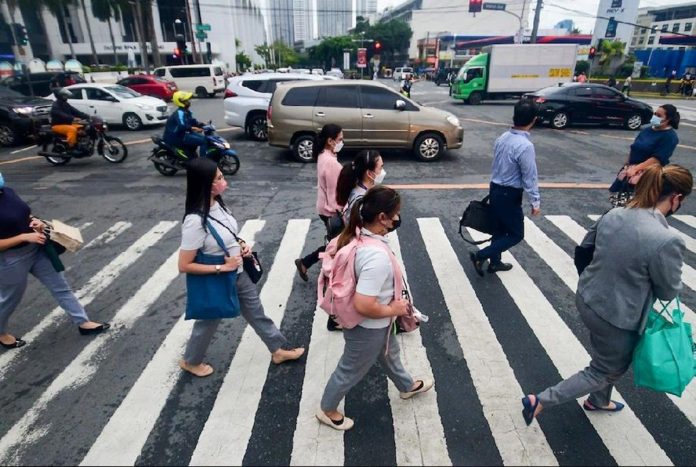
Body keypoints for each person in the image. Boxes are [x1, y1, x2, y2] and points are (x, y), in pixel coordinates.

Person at [522, 164, 691, 424]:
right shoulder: (666, 239)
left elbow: (586, 247)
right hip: (617, 317)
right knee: (605, 370)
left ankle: (598, 400)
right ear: (676, 198)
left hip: (588, 298)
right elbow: (668, 292)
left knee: (604, 355)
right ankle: (541, 401)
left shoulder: (615, 214)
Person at [316, 186, 434, 431]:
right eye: (396, 213)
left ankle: (406, 386)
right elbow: (364, 304)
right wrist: (396, 308)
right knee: (350, 369)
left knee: (389, 353)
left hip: (377, 325)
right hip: (368, 326)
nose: (398, 218)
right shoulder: (375, 256)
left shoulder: (359, 235)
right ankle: (327, 409)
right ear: (382, 217)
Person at [178, 158, 304, 377]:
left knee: (256, 312)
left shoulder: (218, 204)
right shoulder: (194, 221)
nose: (223, 180)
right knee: (208, 322)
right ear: (205, 183)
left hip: (238, 274)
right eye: (218, 178)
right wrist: (221, 268)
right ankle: (191, 361)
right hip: (218, 279)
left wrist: (241, 245)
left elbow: (226, 236)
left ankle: (278, 349)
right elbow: (184, 265)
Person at [0, 172, 110, 349]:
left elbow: (24, 214)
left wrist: (35, 222)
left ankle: (83, 322)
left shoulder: (7, 192)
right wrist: (23, 237)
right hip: (11, 260)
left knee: (61, 287)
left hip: (37, 250)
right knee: (9, 299)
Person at [470, 100, 541, 276]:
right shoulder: (525, 146)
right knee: (516, 234)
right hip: (509, 193)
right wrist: (535, 201)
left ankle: (495, 262)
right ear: (533, 120)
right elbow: (529, 176)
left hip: (495, 189)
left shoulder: (502, 138)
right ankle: (481, 255)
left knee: (500, 229)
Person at [294, 124, 344, 283]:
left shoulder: (323, 155)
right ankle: (312, 264)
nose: (343, 142)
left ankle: (306, 263)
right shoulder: (331, 163)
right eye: (340, 139)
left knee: (334, 243)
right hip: (330, 211)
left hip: (323, 208)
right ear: (330, 141)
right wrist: (340, 212)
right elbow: (333, 193)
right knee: (337, 245)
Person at [609, 104, 680, 201]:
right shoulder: (647, 130)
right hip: (631, 169)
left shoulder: (669, 137)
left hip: (645, 175)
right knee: (618, 198)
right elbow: (635, 147)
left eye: (659, 116)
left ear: (668, 119)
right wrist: (628, 164)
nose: (655, 117)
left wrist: (636, 169)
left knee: (634, 202)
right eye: (655, 114)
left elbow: (657, 159)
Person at [335, 149, 385, 225]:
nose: (383, 171)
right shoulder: (362, 201)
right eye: (381, 167)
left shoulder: (356, 189)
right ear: (369, 173)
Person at [163, 91, 207, 158]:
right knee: (204, 141)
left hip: (183, 133)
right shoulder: (179, 113)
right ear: (181, 102)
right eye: (186, 100)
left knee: (204, 138)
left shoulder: (186, 111)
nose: (189, 101)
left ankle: (192, 154)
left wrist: (201, 124)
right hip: (177, 137)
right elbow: (182, 126)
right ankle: (203, 162)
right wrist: (194, 128)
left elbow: (192, 121)